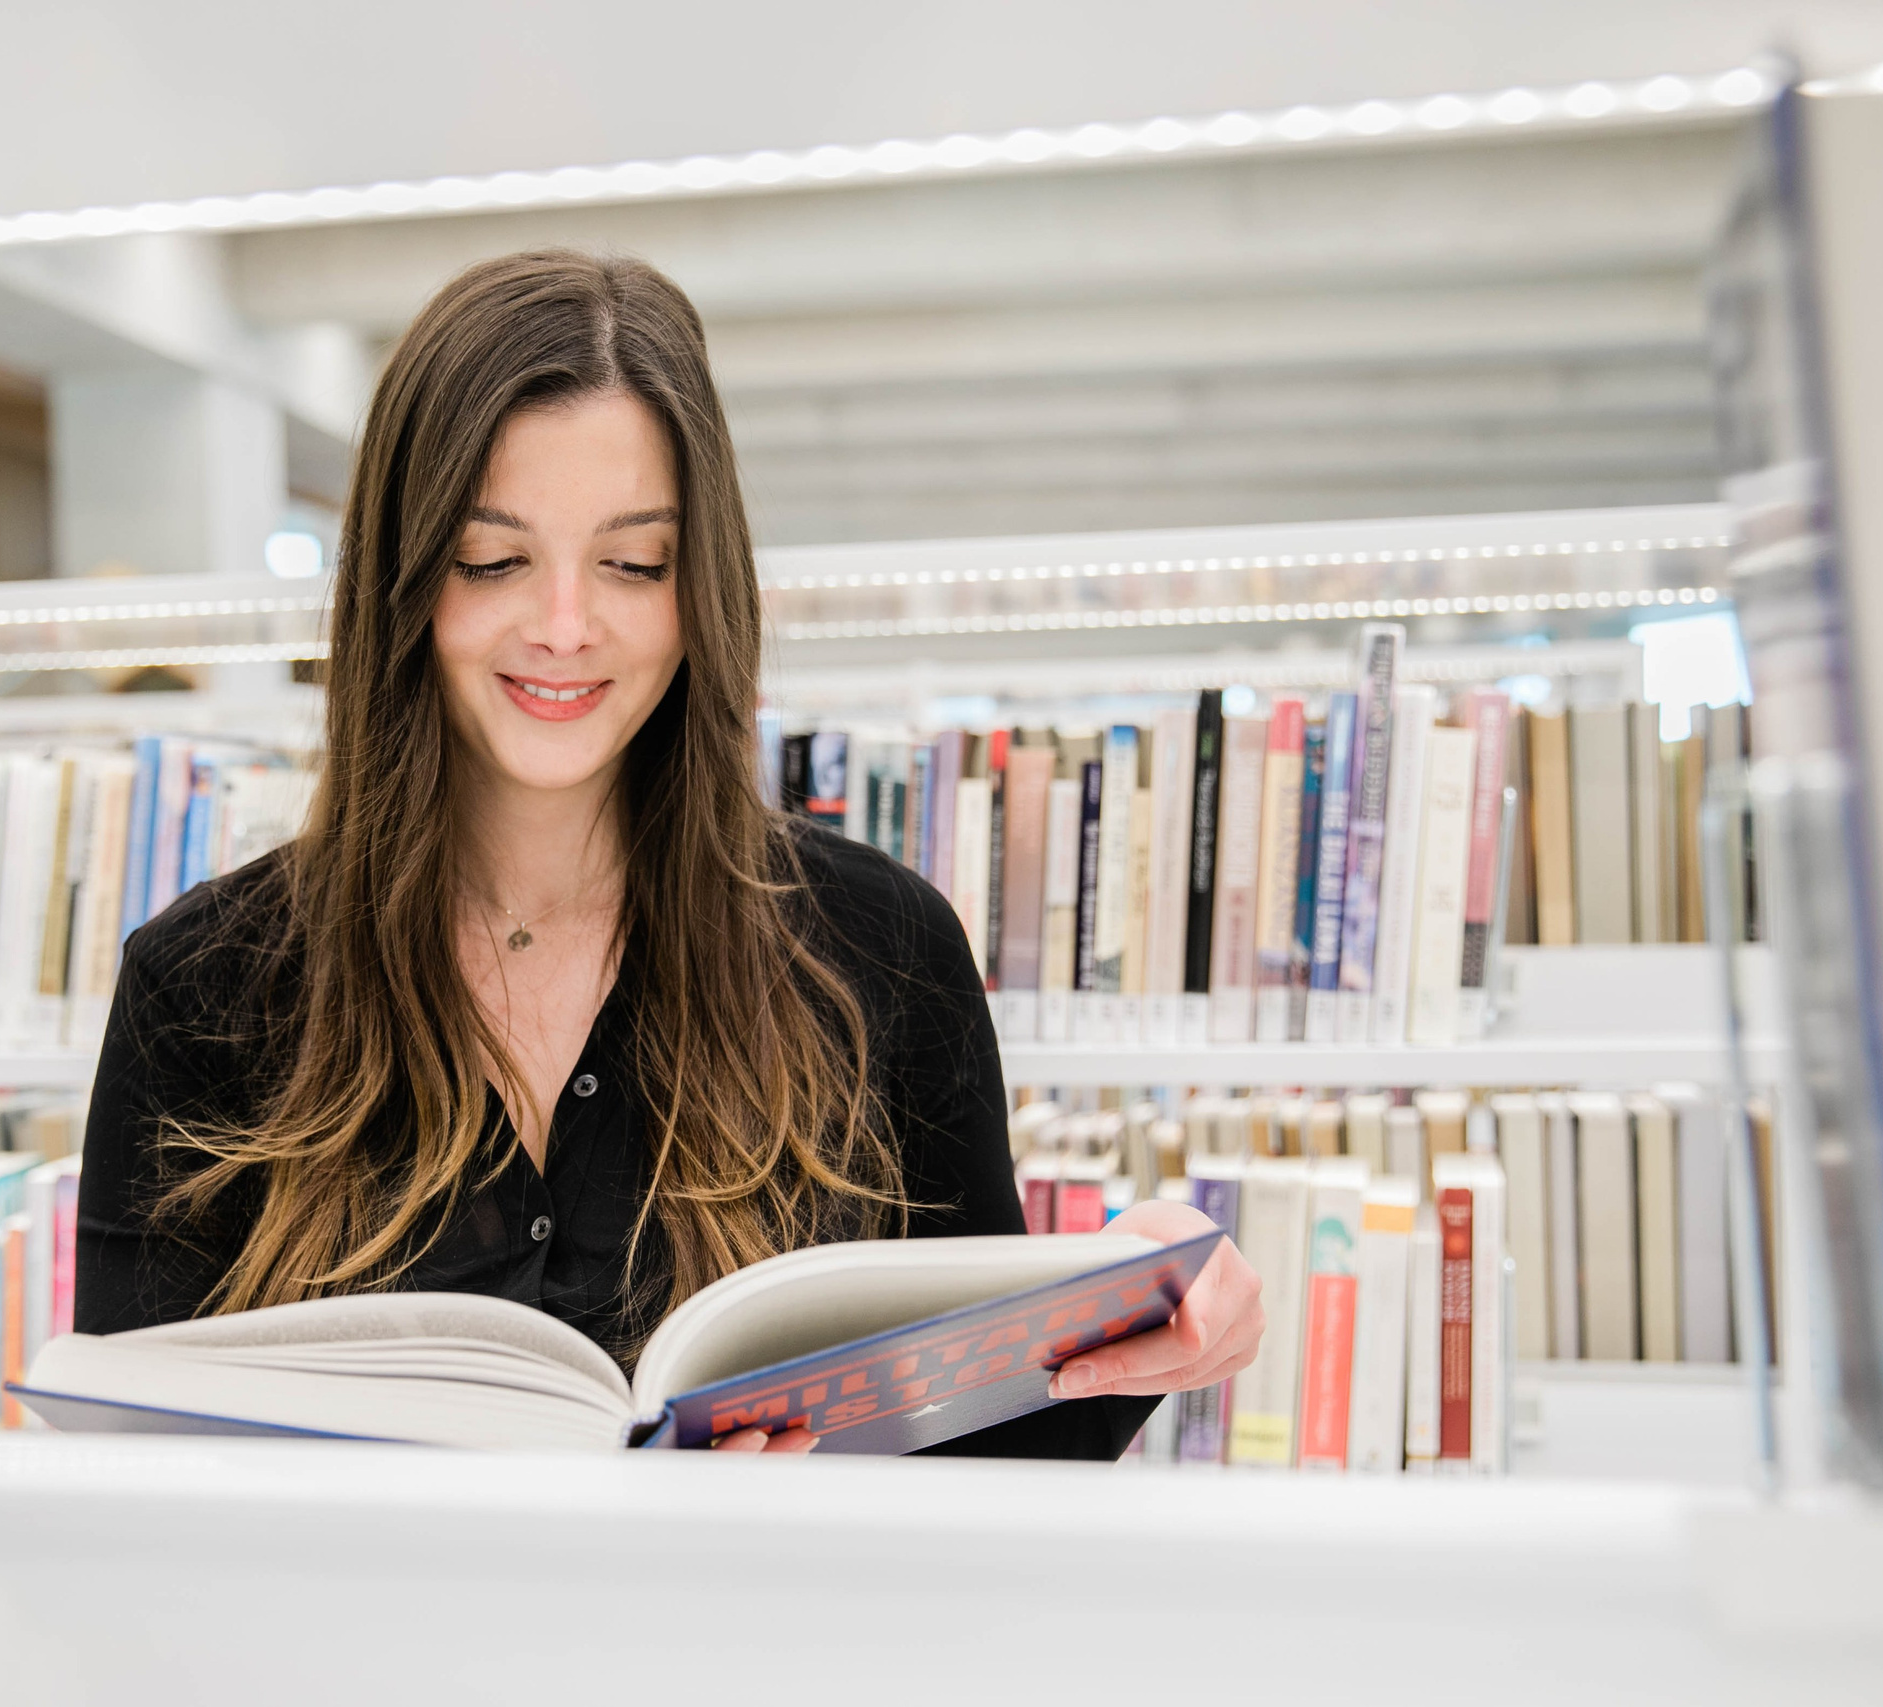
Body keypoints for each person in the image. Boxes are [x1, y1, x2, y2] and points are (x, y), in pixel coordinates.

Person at [77, 249, 1263, 1457]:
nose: (564, 627)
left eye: (633, 563)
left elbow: (998, 1461)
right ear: (403, 577)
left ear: (700, 584)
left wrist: (1145, 1303)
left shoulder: (881, 950)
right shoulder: (204, 986)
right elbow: (132, 1488)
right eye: (491, 559)